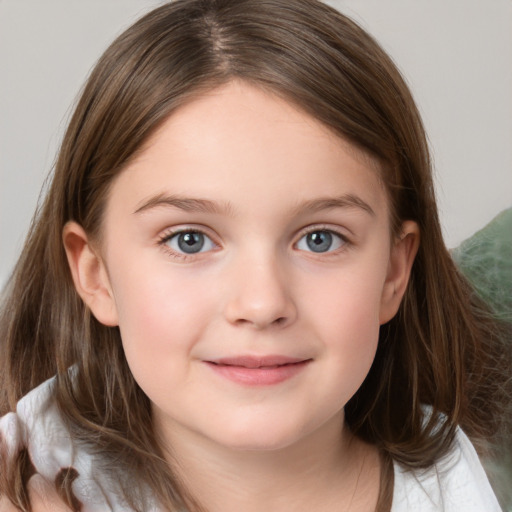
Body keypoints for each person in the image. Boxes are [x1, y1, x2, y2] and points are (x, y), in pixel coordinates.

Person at [0, 0, 510, 511]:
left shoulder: (450, 487)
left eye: (320, 239)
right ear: (97, 275)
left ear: (393, 273)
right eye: (189, 240)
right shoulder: (20, 473)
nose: (263, 304)